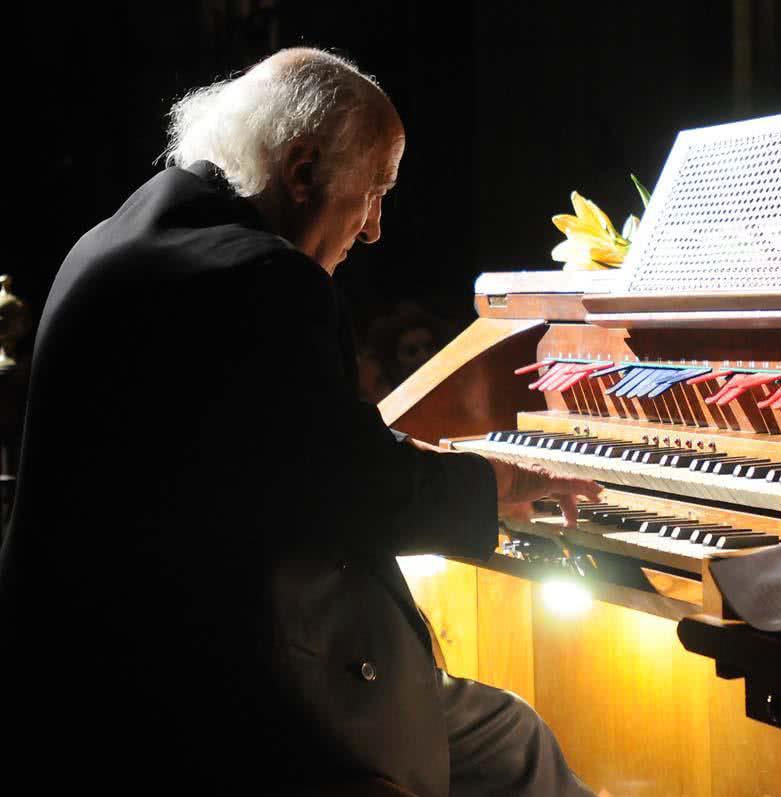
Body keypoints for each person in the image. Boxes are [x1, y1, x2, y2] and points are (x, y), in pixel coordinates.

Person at [0, 48, 602, 796]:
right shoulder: (259, 277)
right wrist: (495, 483)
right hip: (195, 711)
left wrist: (397, 457)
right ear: (303, 169)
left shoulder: (122, 238)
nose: (376, 227)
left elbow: (270, 438)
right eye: (376, 190)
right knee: (514, 742)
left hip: (75, 685)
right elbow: (345, 491)